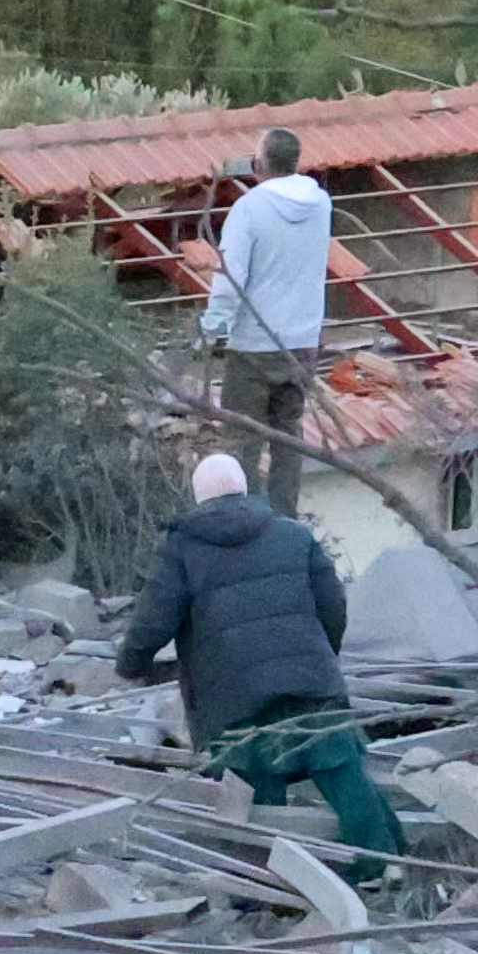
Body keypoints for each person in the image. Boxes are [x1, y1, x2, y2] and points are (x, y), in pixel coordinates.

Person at [120, 445, 402, 873]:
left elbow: (154, 618)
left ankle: (270, 880)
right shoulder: (293, 534)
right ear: (245, 488)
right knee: (341, 769)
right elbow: (333, 606)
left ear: (199, 498)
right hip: (309, 681)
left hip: (233, 693)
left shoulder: (183, 548)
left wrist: (131, 664)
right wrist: (320, 657)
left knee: (255, 785)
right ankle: (383, 863)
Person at [202, 127, 335, 455]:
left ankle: (246, 507)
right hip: (302, 342)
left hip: (253, 346)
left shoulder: (248, 209)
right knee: (288, 441)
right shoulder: (320, 203)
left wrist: (210, 328)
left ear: (257, 164)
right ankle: (283, 508)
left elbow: (230, 279)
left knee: (241, 442)